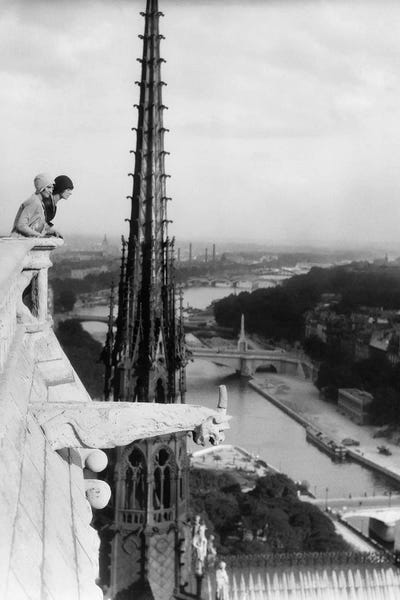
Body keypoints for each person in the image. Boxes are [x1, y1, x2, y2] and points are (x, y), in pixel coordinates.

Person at [12, 173, 54, 237]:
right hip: (18, 242)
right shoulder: (34, 202)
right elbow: (21, 226)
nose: (51, 191)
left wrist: (52, 231)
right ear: (41, 187)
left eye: (52, 188)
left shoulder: (39, 202)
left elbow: (35, 225)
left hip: (25, 241)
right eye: (48, 187)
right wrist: (39, 235)